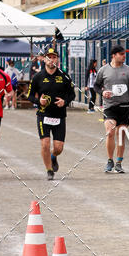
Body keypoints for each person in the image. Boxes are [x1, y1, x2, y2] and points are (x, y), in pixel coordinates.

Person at [27, 47, 76, 180]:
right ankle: (49, 170)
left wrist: (64, 102)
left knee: (58, 148)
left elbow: (72, 94)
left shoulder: (64, 76)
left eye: (54, 57)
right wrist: (39, 101)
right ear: (44, 59)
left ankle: (53, 157)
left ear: (57, 60)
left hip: (59, 116)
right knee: (45, 144)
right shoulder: (38, 77)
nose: (51, 60)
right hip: (43, 115)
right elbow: (29, 96)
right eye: (49, 57)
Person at [95, 45, 129, 174]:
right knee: (110, 132)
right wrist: (102, 92)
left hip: (124, 107)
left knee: (121, 135)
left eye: (124, 54)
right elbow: (96, 86)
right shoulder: (104, 70)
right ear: (113, 55)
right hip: (110, 107)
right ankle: (110, 160)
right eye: (121, 54)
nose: (124, 56)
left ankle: (119, 163)